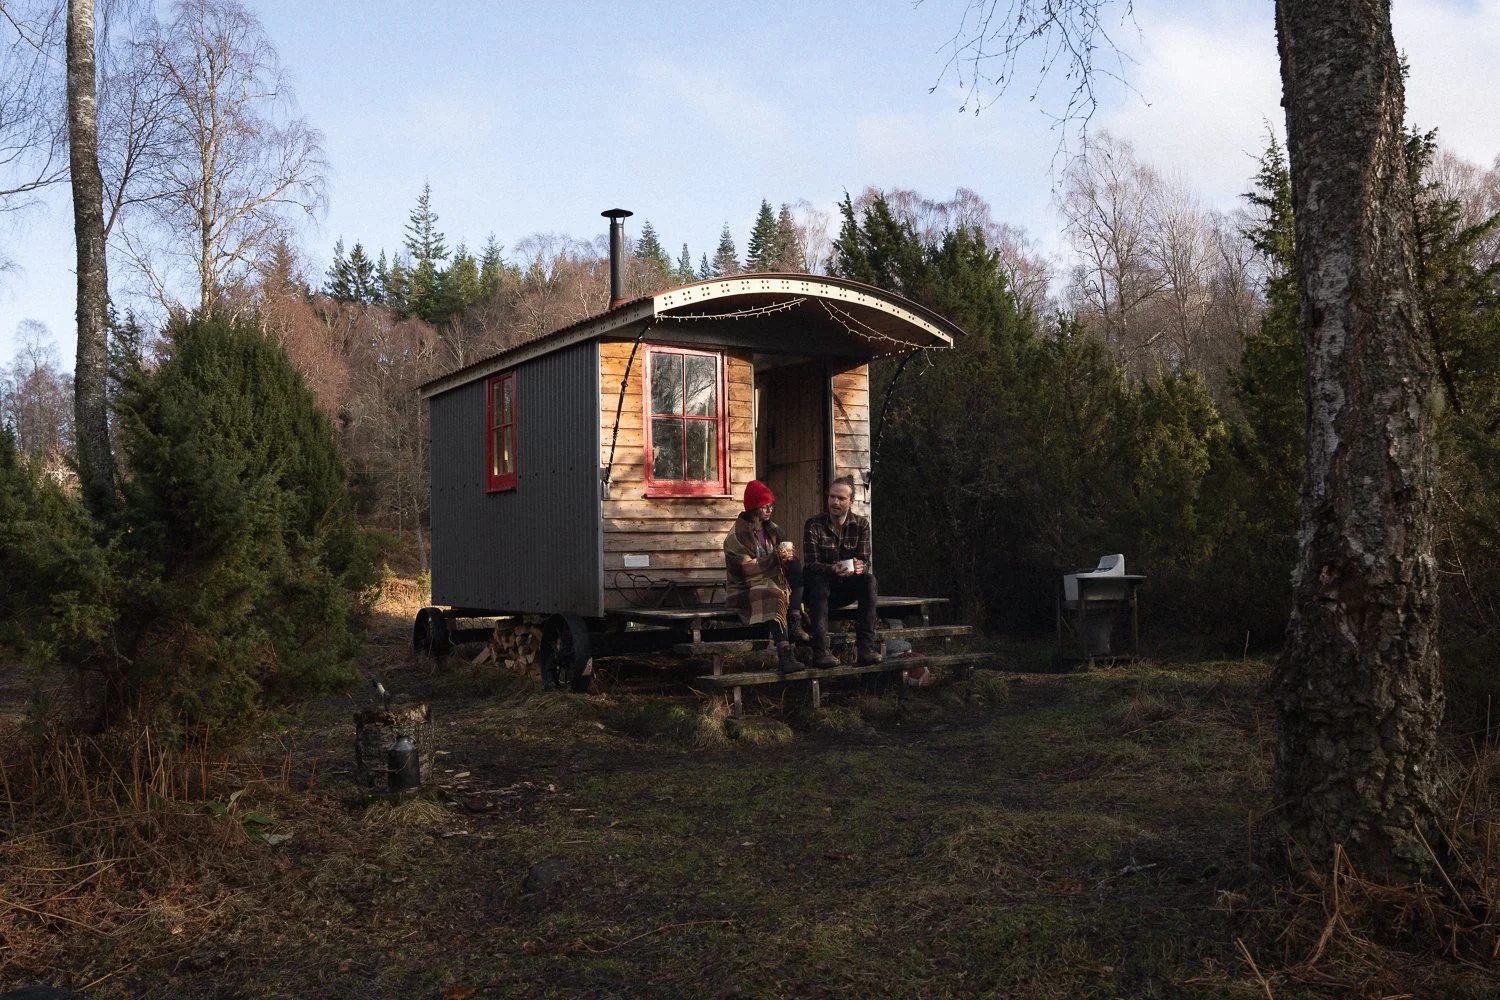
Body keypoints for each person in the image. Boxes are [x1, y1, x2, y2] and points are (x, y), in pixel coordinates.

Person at [724, 479, 808, 674]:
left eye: (771, 506)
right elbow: (745, 569)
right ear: (754, 508)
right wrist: (775, 558)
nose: (770, 510)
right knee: (775, 595)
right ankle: (785, 654)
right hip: (744, 587)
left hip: (771, 581)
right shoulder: (736, 536)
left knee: (796, 569)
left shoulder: (773, 529)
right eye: (765, 506)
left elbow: (783, 554)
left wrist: (788, 557)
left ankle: (795, 621)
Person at [803, 475, 881, 668]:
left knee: (869, 581)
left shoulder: (861, 525)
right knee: (819, 582)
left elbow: (864, 559)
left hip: (846, 587)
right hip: (819, 590)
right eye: (832, 497)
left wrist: (861, 567)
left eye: (841, 498)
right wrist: (832, 569)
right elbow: (811, 564)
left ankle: (866, 649)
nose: (835, 502)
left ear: (851, 502)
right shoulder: (814, 524)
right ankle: (821, 652)